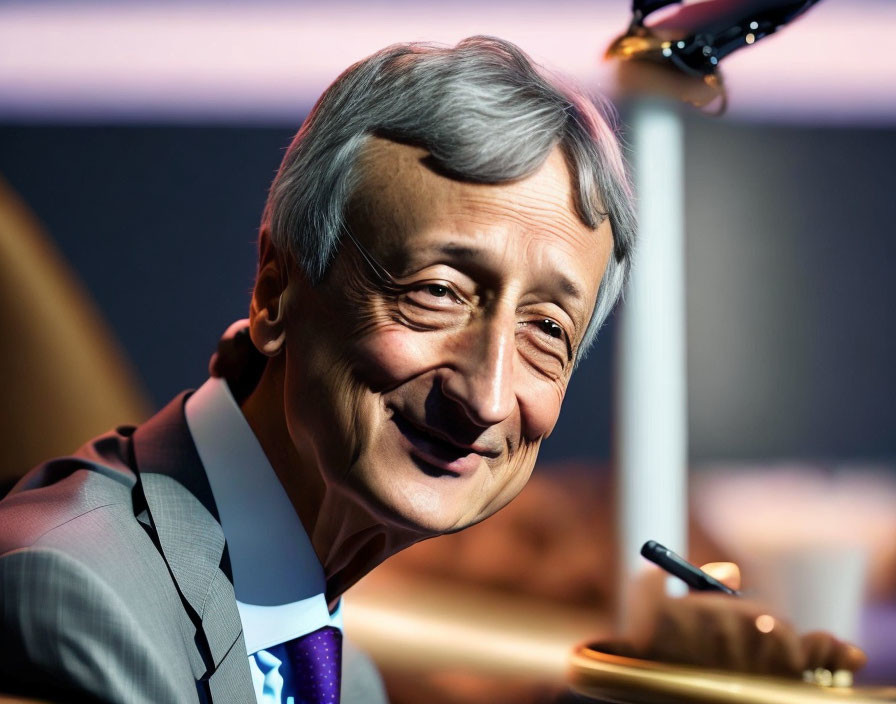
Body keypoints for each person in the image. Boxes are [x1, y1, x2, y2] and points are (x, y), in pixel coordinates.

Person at [0, 36, 864, 704]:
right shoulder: (75, 593)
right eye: (439, 293)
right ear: (275, 292)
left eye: (546, 333)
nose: (488, 396)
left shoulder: (331, 654)